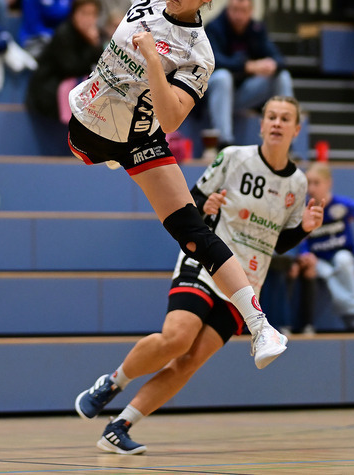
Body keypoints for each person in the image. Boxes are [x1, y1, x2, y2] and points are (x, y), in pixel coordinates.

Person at [67, 0, 289, 374]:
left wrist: (152, 58)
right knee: (88, 149)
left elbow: (171, 119)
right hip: (89, 127)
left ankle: (260, 326)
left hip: (141, 137)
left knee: (194, 231)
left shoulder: (199, 54)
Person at [74, 96, 324, 454]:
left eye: (285, 119)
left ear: (296, 130)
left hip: (246, 282)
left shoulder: (297, 183)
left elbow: (277, 244)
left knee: (190, 361)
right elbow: (187, 202)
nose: (277, 123)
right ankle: (113, 382)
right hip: (208, 263)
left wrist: (304, 230)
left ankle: (120, 427)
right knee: (177, 338)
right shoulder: (234, 157)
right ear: (261, 124)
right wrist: (205, 206)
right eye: (271, 116)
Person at [291, 162, 354, 332]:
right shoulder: (305, 210)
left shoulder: (340, 204)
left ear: (328, 183)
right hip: (318, 259)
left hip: (339, 253)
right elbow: (302, 240)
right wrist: (306, 253)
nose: (312, 188)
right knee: (327, 273)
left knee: (344, 262)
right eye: (309, 183)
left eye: (317, 183)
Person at [205, 0, 294, 149]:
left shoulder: (256, 29)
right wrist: (247, 66)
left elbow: (279, 59)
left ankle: (287, 141)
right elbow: (212, 61)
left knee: (282, 77)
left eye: (243, 11)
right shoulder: (214, 27)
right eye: (235, 10)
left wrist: (272, 65)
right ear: (228, 9)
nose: (238, 16)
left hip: (243, 94)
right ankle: (224, 142)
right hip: (214, 94)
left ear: (251, 11)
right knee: (222, 77)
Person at [26, 0, 105, 124]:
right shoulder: (64, 33)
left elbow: (101, 66)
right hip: (49, 92)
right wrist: (92, 45)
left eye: (93, 14)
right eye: (84, 13)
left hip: (76, 91)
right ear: (74, 14)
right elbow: (71, 68)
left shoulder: (96, 35)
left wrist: (96, 44)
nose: (88, 19)